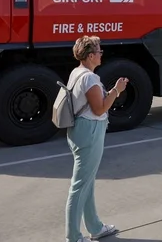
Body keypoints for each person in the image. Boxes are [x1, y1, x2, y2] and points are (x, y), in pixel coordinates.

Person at [65, 35, 128, 242]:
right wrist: (116, 91)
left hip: (81, 130)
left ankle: (95, 227)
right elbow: (100, 108)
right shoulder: (89, 78)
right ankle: (73, 237)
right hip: (90, 131)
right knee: (80, 186)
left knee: (87, 182)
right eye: (99, 51)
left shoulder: (77, 72)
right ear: (90, 55)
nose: (101, 54)